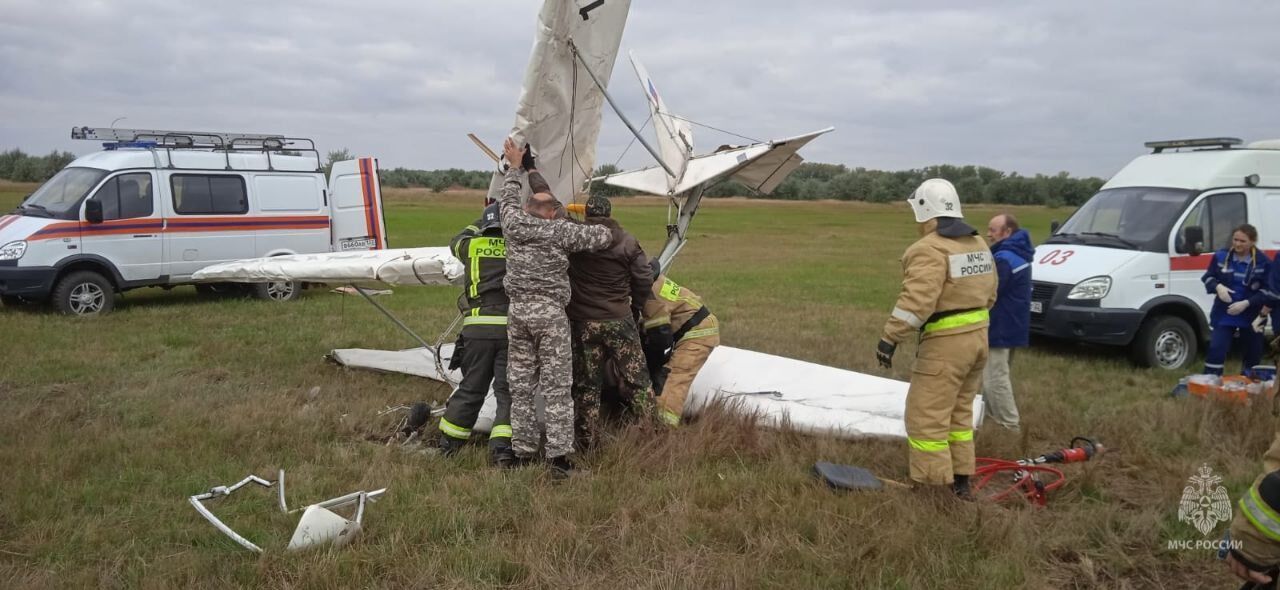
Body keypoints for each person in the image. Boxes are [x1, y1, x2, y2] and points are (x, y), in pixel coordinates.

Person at [497, 138, 614, 479]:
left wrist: (516, 166)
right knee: (557, 389)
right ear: (550, 213)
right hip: (549, 316)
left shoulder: (512, 223)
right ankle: (559, 462)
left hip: (518, 314)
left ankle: (521, 453)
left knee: (520, 387)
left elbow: (507, 196)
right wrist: (571, 216)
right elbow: (601, 238)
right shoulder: (560, 230)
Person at [875, 178, 997, 496]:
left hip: (947, 345)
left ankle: (931, 488)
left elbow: (917, 303)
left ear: (924, 210)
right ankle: (961, 481)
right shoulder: (979, 244)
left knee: (925, 416)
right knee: (959, 413)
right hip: (979, 339)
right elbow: (991, 294)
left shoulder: (928, 249)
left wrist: (890, 338)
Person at [566, 195, 656, 450]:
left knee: (586, 385)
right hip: (619, 319)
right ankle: (651, 436)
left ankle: (586, 442)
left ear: (587, 215)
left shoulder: (575, 240)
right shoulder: (627, 241)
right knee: (638, 379)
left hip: (583, 322)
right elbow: (643, 279)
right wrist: (636, 307)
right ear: (610, 212)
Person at [435, 203, 515, 466]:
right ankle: (502, 449)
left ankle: (449, 443)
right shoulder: (517, 249)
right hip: (510, 331)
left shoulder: (470, 246)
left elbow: (455, 240)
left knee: (471, 387)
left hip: (477, 330)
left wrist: (478, 221)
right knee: (507, 392)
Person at [640, 259, 720, 426]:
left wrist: (653, 365)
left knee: (672, 381)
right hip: (689, 326)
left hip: (698, 332)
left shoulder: (650, 295)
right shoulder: (653, 281)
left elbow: (661, 338)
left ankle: (663, 430)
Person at [981, 213, 1033, 432]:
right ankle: (989, 419)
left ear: (1007, 232)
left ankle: (1010, 426)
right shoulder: (1018, 253)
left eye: (993, 230)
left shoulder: (1004, 258)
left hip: (1001, 325)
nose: (988, 234)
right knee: (993, 377)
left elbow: (990, 293)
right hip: (1013, 324)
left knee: (994, 379)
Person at [1201, 224, 1270, 377]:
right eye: (1235, 240)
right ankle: (1210, 382)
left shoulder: (1263, 261)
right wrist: (1218, 287)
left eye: (1243, 241)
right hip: (1224, 313)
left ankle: (1249, 387)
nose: (1238, 244)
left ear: (1253, 242)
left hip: (1252, 315)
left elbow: (1268, 291)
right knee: (1216, 349)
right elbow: (1208, 277)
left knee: (1253, 353)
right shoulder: (1220, 256)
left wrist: (1247, 303)